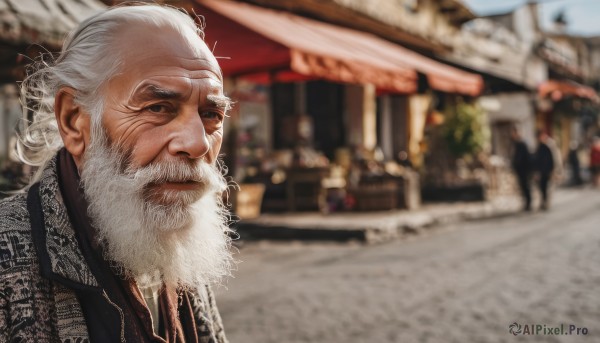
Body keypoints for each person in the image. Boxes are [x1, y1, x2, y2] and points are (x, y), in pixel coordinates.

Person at [0, 4, 233, 342]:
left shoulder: (174, 244)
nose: (197, 143)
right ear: (74, 121)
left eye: (211, 114)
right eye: (157, 107)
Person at [510, 127, 532, 211]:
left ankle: (528, 203)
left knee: (526, 186)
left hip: (524, 170)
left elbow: (525, 158)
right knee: (522, 187)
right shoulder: (515, 144)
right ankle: (526, 203)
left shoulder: (522, 144)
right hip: (519, 170)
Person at [534, 130, 555, 210]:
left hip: (546, 171)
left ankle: (545, 202)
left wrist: (551, 171)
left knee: (545, 188)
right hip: (540, 172)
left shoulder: (547, 147)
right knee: (541, 188)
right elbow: (537, 160)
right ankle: (543, 202)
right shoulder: (539, 147)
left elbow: (551, 160)